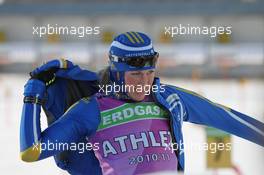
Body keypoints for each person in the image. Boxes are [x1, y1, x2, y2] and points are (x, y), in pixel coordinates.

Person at [20, 31, 264, 175]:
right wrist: (32, 95)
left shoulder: (169, 98)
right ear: (116, 71)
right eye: (136, 74)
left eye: (149, 73)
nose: (144, 82)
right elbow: (31, 151)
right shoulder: (91, 108)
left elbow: (226, 117)